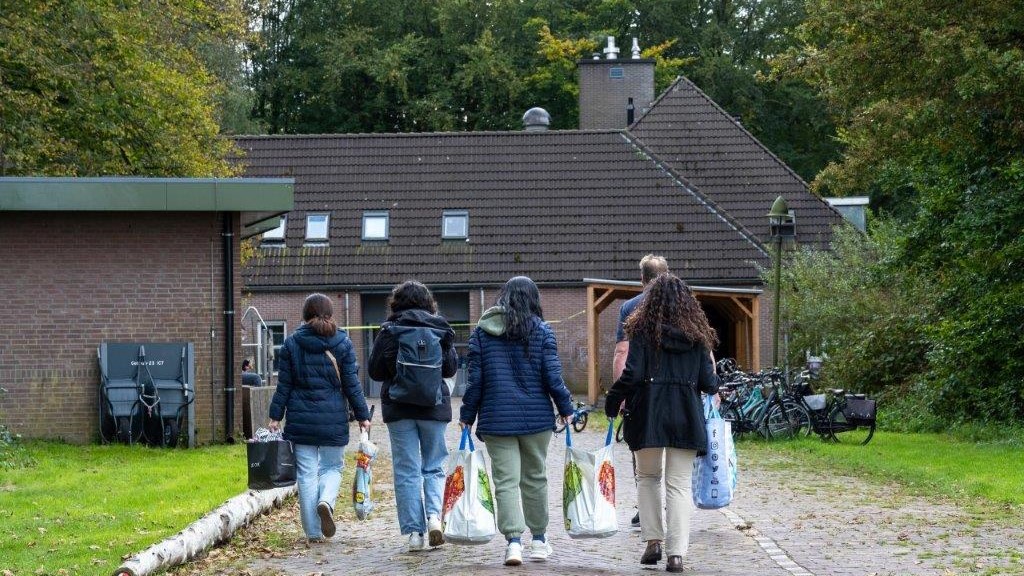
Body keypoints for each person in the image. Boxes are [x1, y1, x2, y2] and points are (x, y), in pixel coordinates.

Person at [605, 274, 719, 573]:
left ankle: (653, 540)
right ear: (687, 302)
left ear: (651, 301)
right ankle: (676, 554)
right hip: (686, 415)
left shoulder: (641, 331)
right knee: (679, 484)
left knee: (648, 477)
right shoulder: (697, 336)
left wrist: (613, 399)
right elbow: (709, 382)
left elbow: (631, 374)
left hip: (648, 414)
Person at [460, 276, 575, 567]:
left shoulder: (482, 334)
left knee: (506, 482)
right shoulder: (543, 331)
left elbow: (475, 382)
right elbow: (553, 376)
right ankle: (538, 541)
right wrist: (565, 408)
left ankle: (513, 543)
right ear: (533, 299)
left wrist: (466, 417)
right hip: (537, 419)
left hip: (497, 420)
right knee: (535, 478)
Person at [268, 293, 371, 543]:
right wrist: (362, 415)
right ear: (331, 313)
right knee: (332, 467)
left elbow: (284, 385)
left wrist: (274, 416)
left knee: (306, 473)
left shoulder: (292, 344)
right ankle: (326, 500)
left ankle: (313, 532)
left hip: (300, 420)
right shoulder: (343, 343)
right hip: (332, 418)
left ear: (305, 315)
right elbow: (352, 384)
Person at [368, 280, 458, 552]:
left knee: (406, 470)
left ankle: (414, 535)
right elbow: (451, 367)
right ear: (429, 303)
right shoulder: (439, 328)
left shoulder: (390, 330)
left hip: (399, 409)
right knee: (434, 466)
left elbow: (375, 371)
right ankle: (434, 518)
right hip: (433, 407)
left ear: (396, 303)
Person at [612, 254, 669, 529]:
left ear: (642, 279)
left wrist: (621, 394)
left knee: (643, 457)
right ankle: (671, 503)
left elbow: (622, 351)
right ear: (668, 276)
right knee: (675, 452)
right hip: (677, 390)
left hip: (643, 391)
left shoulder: (630, 307)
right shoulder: (683, 305)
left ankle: (645, 507)